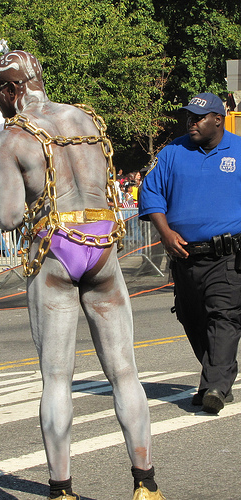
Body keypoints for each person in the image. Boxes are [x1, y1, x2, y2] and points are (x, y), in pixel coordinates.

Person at [0, 50, 165, 500]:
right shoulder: (85, 119)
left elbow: (8, 217)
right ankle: (146, 484)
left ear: (12, 88)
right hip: (101, 246)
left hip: (55, 250)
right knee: (125, 372)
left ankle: (61, 489)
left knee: (57, 378)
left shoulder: (9, 139)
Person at [139, 92, 241, 414]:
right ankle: (218, 379)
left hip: (228, 256)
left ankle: (215, 387)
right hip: (184, 257)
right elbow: (150, 191)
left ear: (218, 120)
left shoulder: (239, 150)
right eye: (189, 117)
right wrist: (165, 232)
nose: (191, 123)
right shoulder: (172, 152)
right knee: (192, 318)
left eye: (198, 118)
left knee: (223, 316)